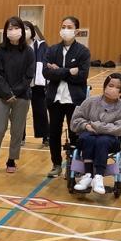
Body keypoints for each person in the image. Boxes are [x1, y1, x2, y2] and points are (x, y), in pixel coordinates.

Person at [43, 16, 91, 177]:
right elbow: (46, 73)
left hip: (74, 100)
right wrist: (69, 71)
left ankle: (76, 166)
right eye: (63, 26)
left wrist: (58, 70)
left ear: (76, 31)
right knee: (54, 133)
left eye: (69, 27)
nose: (65, 29)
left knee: (75, 133)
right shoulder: (52, 50)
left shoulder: (83, 52)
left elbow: (82, 76)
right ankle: (56, 164)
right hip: (55, 99)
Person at [70, 73, 121, 195]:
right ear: (104, 86)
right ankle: (88, 175)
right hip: (88, 135)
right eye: (110, 85)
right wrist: (86, 125)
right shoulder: (90, 101)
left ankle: (98, 176)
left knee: (102, 140)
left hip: (111, 140)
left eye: (117, 87)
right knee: (88, 139)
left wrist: (95, 125)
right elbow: (75, 120)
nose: (112, 89)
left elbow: (119, 128)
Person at [0, 18, 35, 173]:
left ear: (21, 30)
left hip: (22, 96)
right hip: (2, 95)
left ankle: (12, 159)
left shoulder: (29, 52)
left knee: (17, 130)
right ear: (5, 31)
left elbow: (29, 75)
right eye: (10, 28)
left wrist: (16, 92)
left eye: (16, 28)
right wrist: (7, 93)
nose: (13, 31)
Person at [25, 21, 49, 146]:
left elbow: (45, 62)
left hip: (37, 85)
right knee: (20, 113)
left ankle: (45, 136)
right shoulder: (17, 47)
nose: (24, 31)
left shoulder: (40, 45)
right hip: (22, 85)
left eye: (27, 28)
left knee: (40, 111)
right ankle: (20, 137)